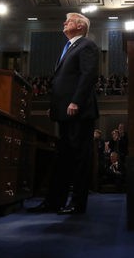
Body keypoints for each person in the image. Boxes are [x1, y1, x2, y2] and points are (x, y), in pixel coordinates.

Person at [28, 12, 100, 215]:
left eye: (68, 21)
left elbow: (88, 75)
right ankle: (54, 202)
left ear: (80, 27)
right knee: (62, 160)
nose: (64, 23)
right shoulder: (69, 47)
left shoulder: (87, 45)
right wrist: (56, 105)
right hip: (65, 111)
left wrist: (76, 101)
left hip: (79, 111)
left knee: (79, 159)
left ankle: (78, 204)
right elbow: (63, 81)